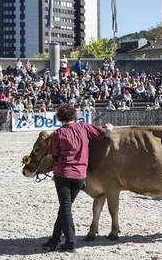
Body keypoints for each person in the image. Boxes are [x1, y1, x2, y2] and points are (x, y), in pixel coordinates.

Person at [43, 104, 113, 252]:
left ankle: (70, 242)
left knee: (65, 209)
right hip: (80, 175)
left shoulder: (58, 133)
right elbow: (105, 135)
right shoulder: (84, 128)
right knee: (64, 208)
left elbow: (54, 155)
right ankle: (54, 240)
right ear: (74, 115)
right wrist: (109, 128)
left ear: (60, 117)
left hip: (63, 174)